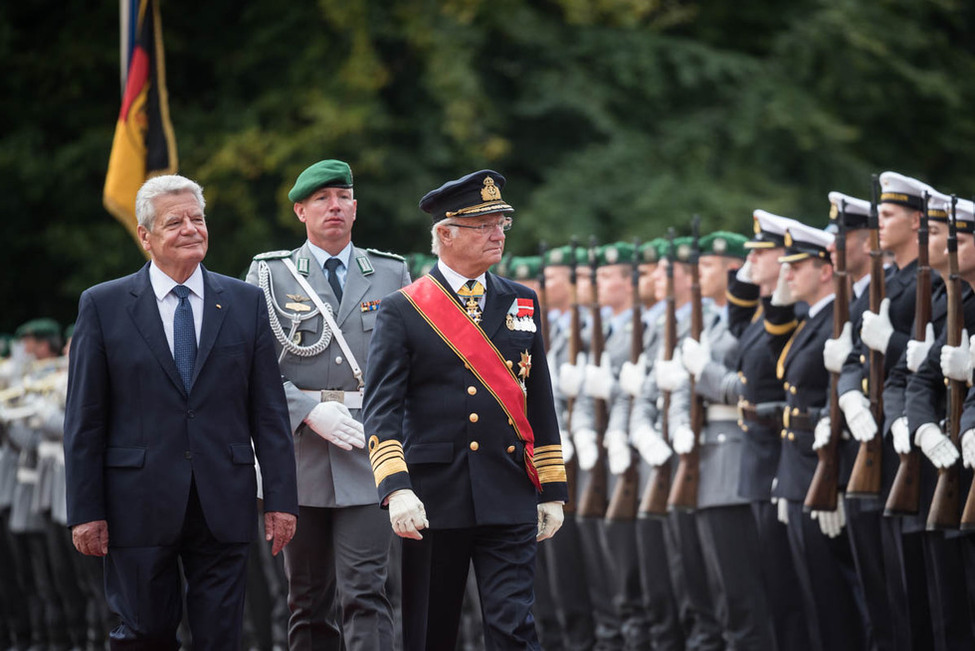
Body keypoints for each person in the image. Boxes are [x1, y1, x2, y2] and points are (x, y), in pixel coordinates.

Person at [64, 174, 298, 649]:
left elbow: (269, 411)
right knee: (145, 632)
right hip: (136, 505)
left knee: (221, 635)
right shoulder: (103, 305)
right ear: (145, 237)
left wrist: (280, 499)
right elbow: (85, 419)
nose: (192, 228)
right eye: (175, 222)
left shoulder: (245, 302)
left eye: (198, 218)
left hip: (224, 500)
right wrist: (85, 510)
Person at [362, 169, 568, 650]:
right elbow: (382, 407)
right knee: (432, 629)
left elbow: (537, 396)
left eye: (502, 224)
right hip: (434, 495)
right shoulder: (403, 309)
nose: (498, 233)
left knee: (514, 627)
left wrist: (552, 486)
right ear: (445, 234)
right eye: (484, 225)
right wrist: (396, 488)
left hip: (507, 486)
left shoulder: (521, 300)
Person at [245, 158, 409, 651]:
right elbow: (251, 368)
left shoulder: (390, 271)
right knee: (308, 598)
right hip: (299, 454)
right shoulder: (269, 274)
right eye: (321, 199)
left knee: (366, 592)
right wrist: (306, 410)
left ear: (355, 208)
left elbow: (407, 362)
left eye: (342, 197)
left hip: (368, 447)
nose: (333, 207)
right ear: (300, 211)